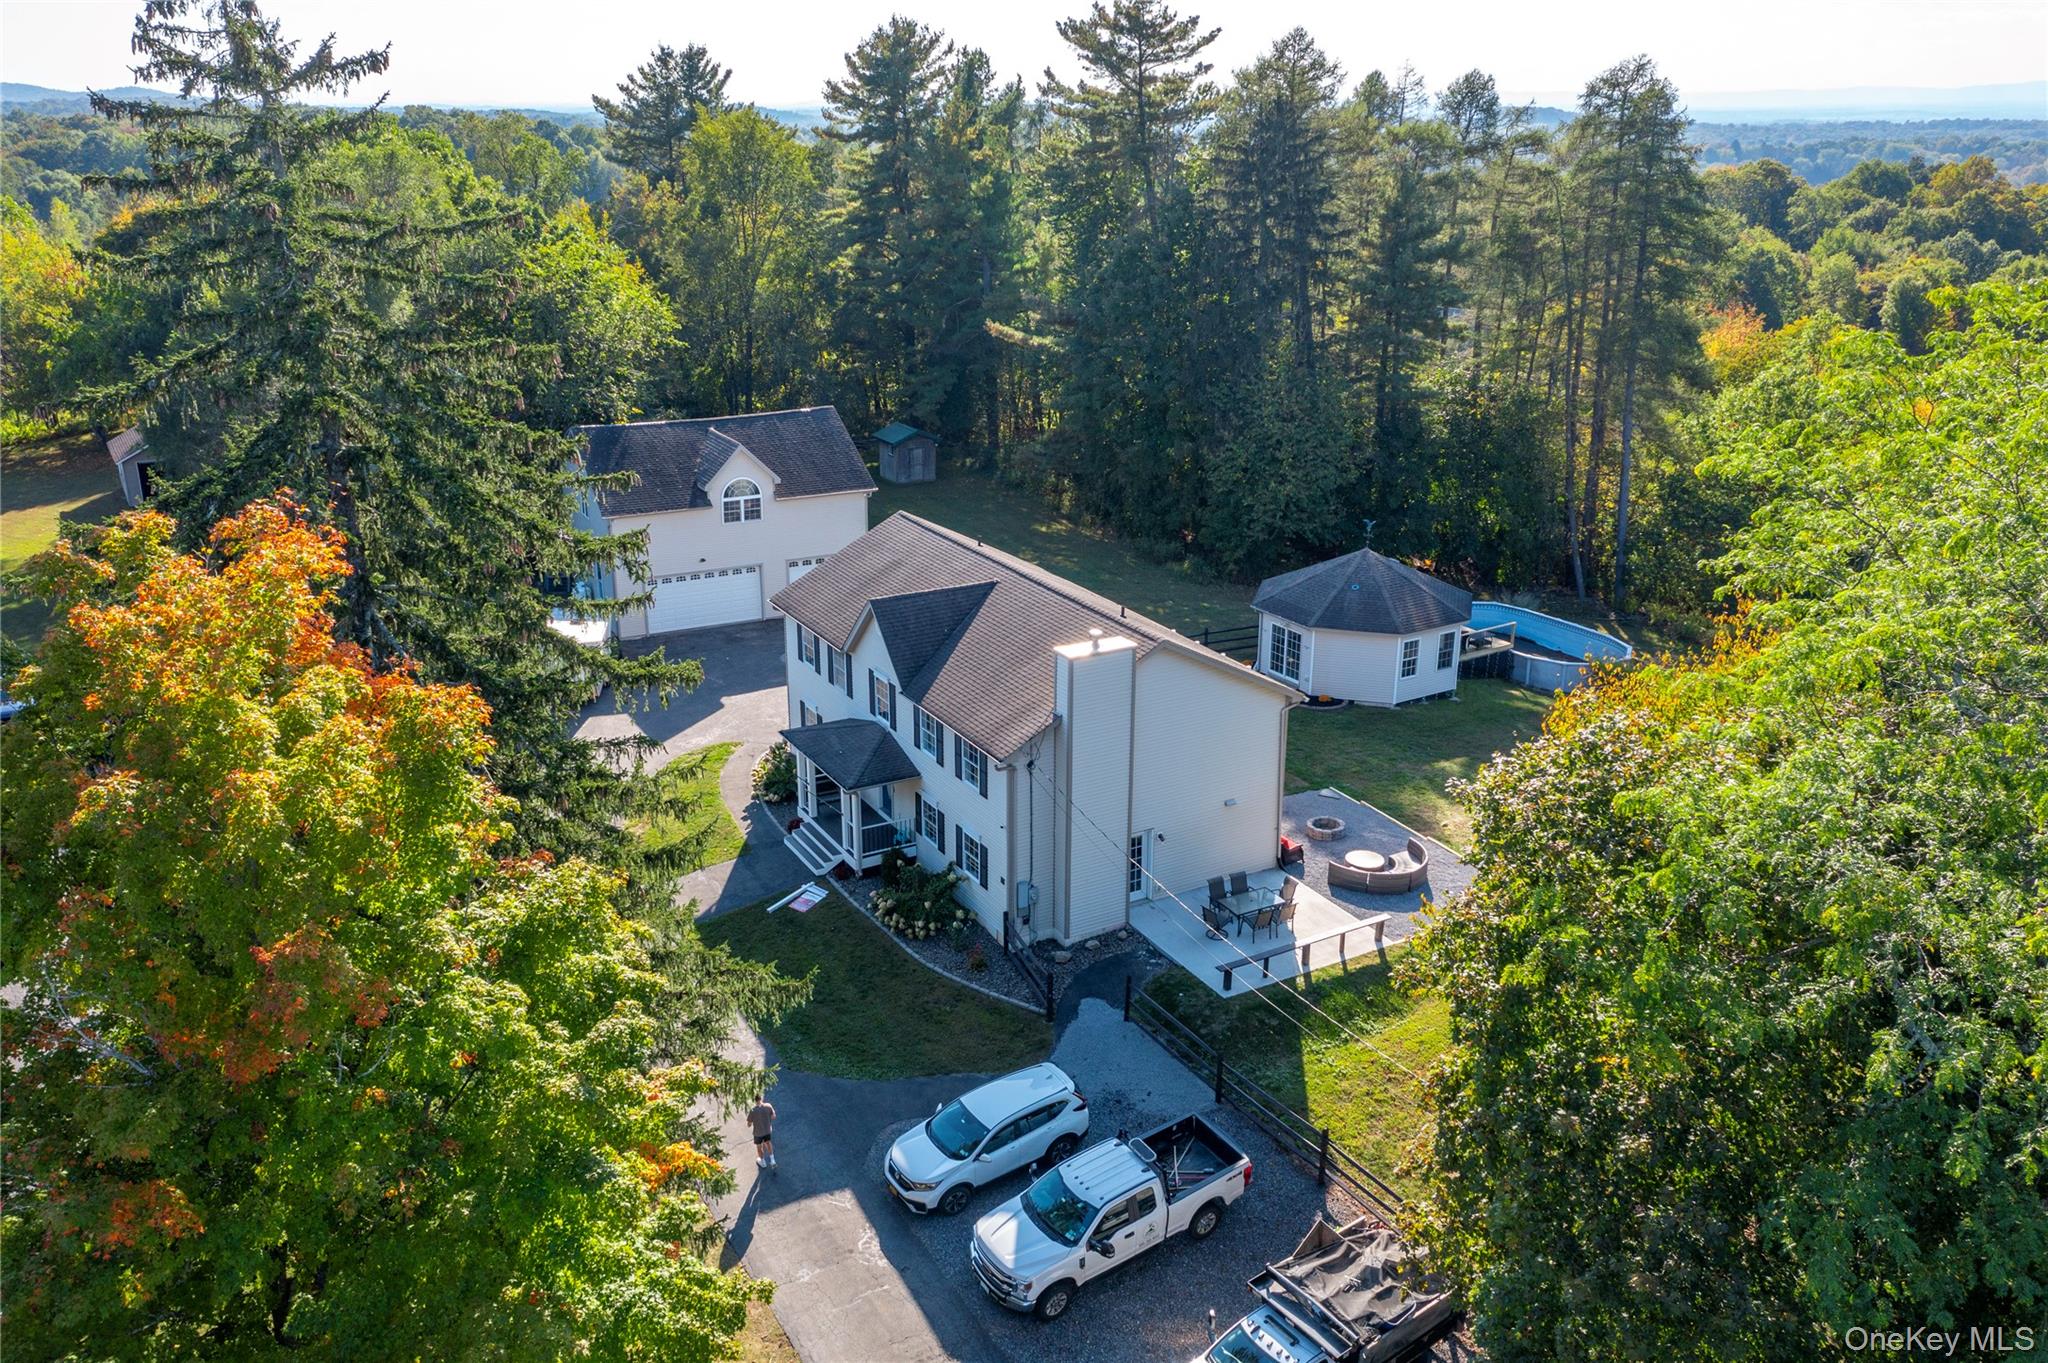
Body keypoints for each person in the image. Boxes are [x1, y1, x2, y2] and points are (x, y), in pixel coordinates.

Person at [749, 1093, 777, 1169]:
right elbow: (774, 1116)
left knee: (759, 1147)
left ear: (754, 1100)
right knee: (768, 1143)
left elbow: (749, 1124)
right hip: (767, 1130)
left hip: (758, 1133)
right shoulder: (768, 1106)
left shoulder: (753, 1110)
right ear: (761, 1098)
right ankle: (772, 1160)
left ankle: (763, 1162)